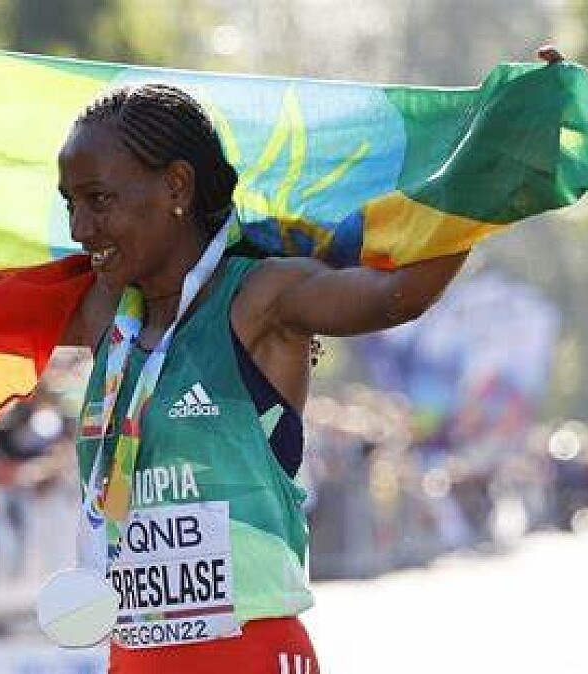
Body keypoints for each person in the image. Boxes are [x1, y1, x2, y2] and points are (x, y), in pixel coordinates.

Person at [57, 83, 466, 673]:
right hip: (133, 656)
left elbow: (397, 295)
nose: (79, 227)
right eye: (69, 203)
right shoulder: (105, 313)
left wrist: (498, 170)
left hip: (248, 654)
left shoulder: (261, 298)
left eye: (98, 199)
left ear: (176, 187)